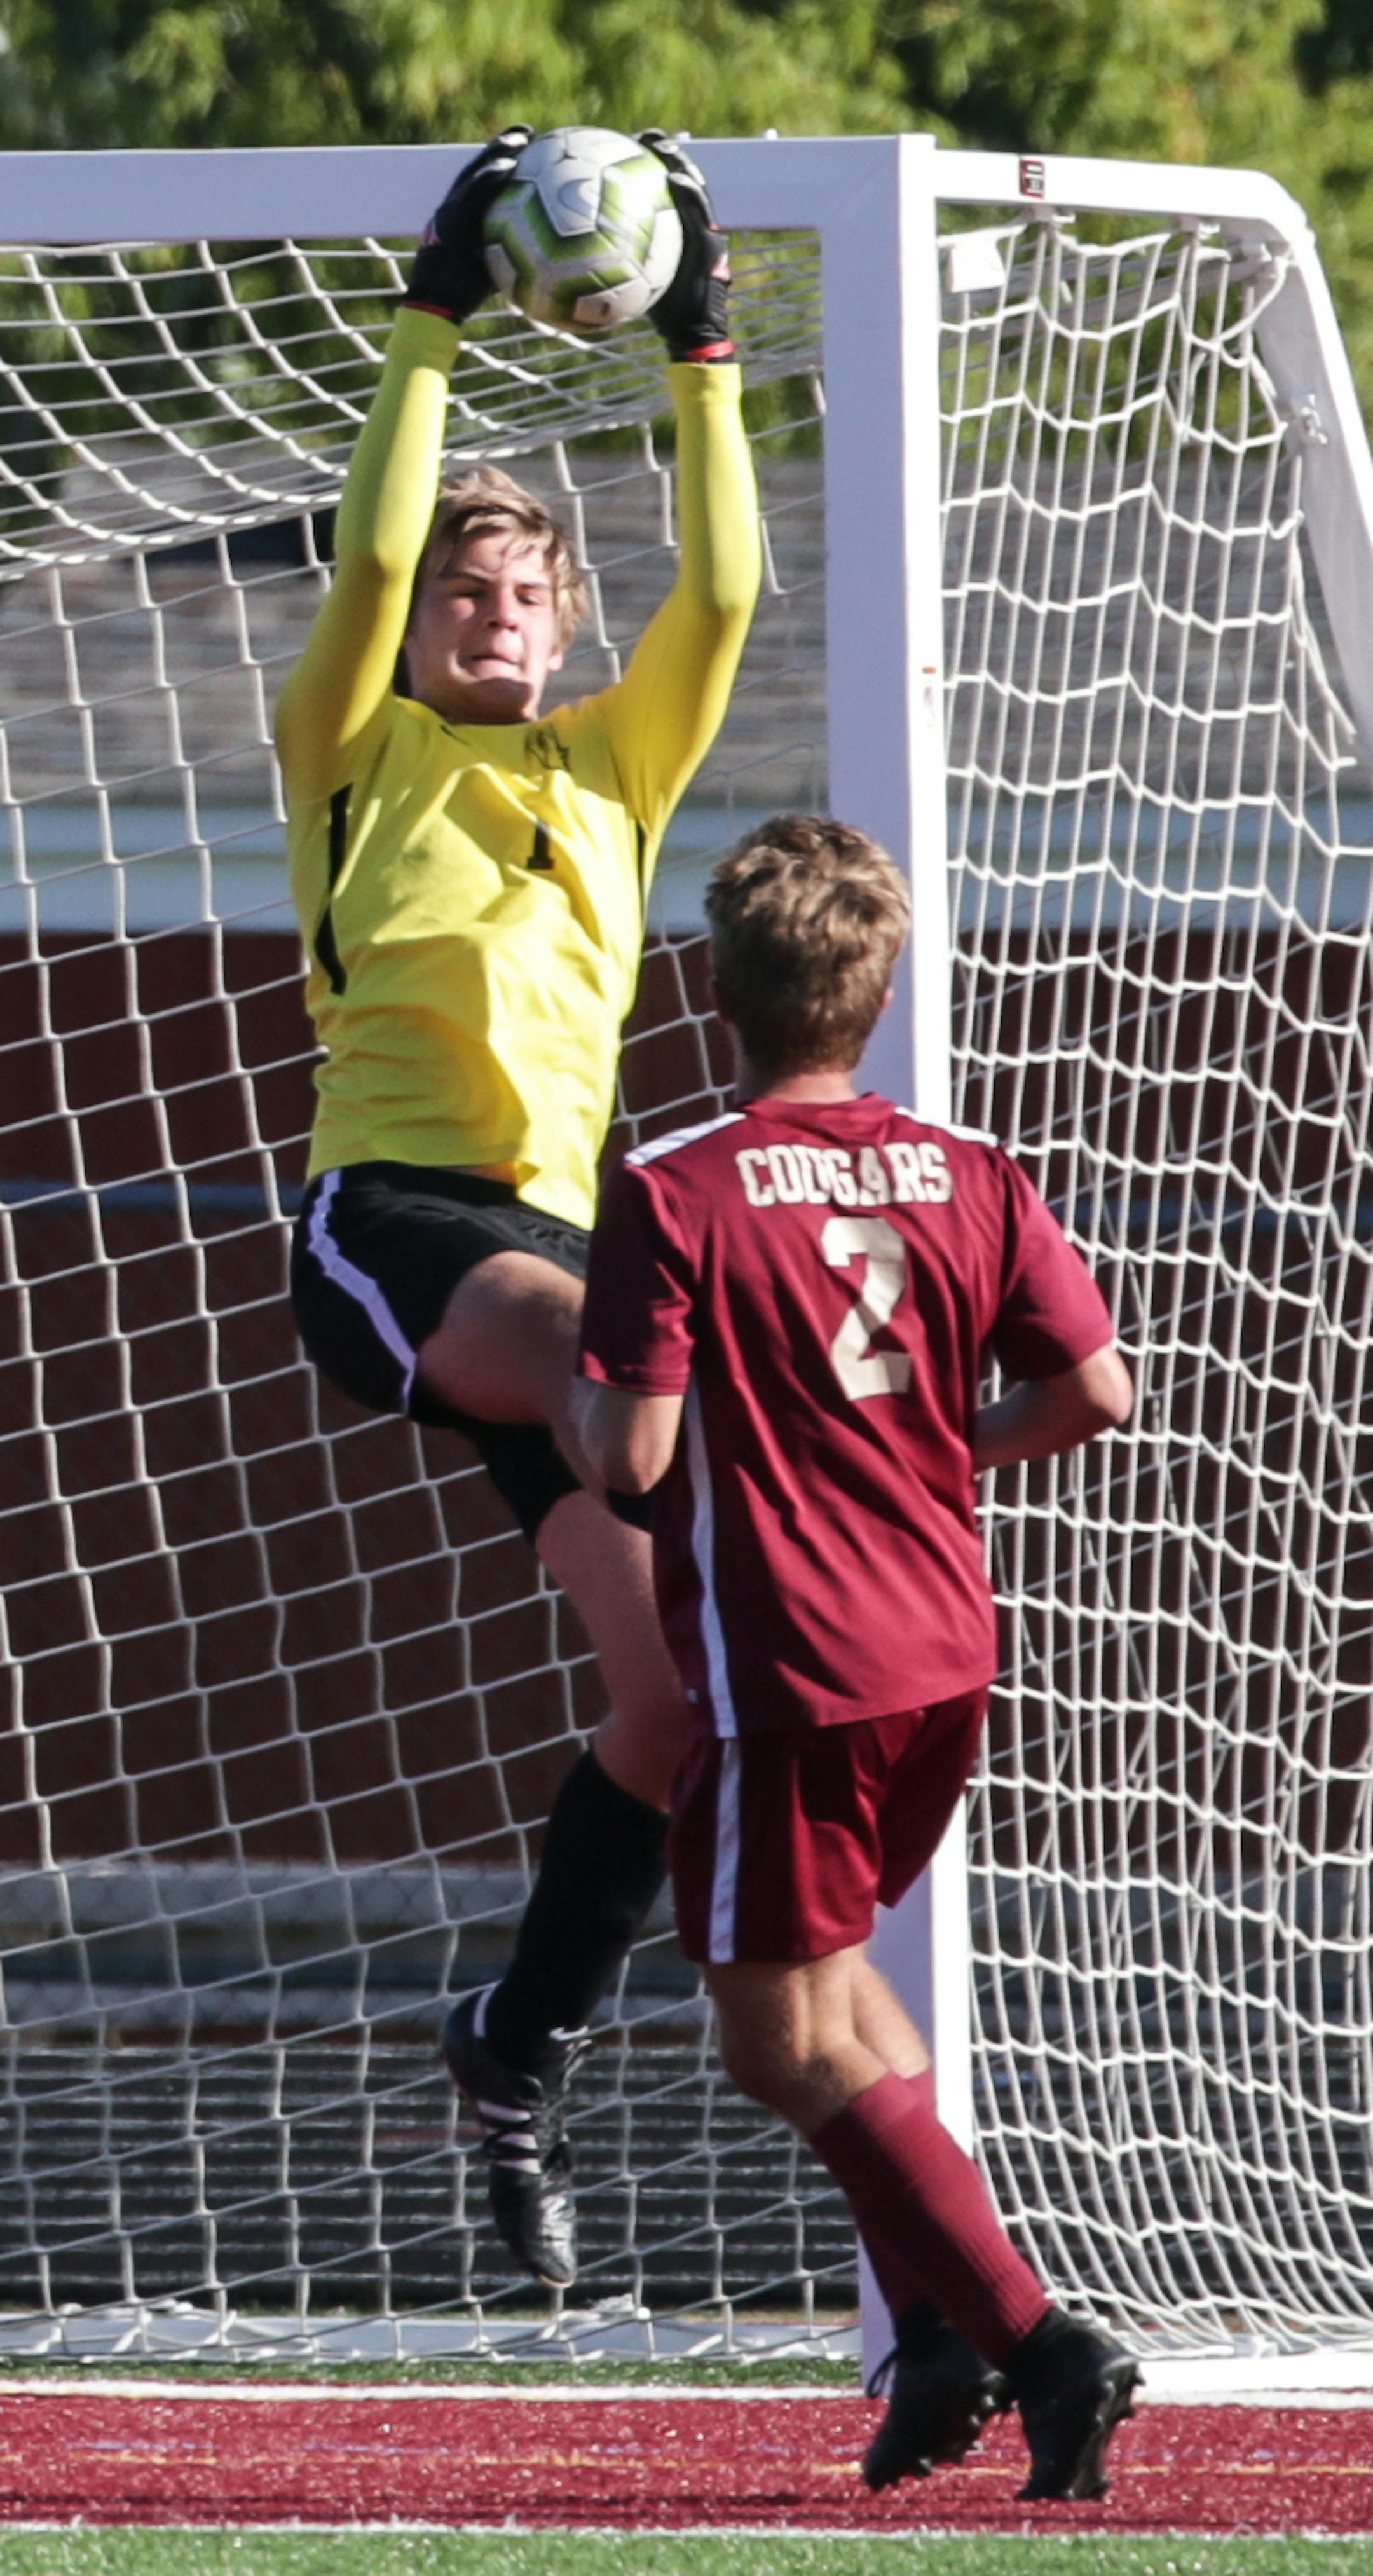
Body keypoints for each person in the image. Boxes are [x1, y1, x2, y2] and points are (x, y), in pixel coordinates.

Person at [278, 125, 760, 2291]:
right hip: (391, 1237)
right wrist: (430, 326)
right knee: (643, 1388)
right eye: (469, 587)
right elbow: (370, 573)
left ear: (566, 620)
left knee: (672, 1687)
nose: (486, 610)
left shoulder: (606, 768)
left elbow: (730, 594)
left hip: (564, 1273)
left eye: (523, 591)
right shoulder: (358, 744)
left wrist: (707, 349)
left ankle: (512, 2045)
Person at [570, 814, 1142, 2502]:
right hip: (942, 1642)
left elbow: (634, 1454)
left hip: (790, 1661)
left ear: (719, 982)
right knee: (839, 1994)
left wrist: (596, 1390)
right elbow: (1098, 1393)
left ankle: (1047, 2341)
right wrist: (938, 1446)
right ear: (879, 989)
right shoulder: (971, 1171)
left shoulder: (675, 1187)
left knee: (770, 2035)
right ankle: (951, 2338)